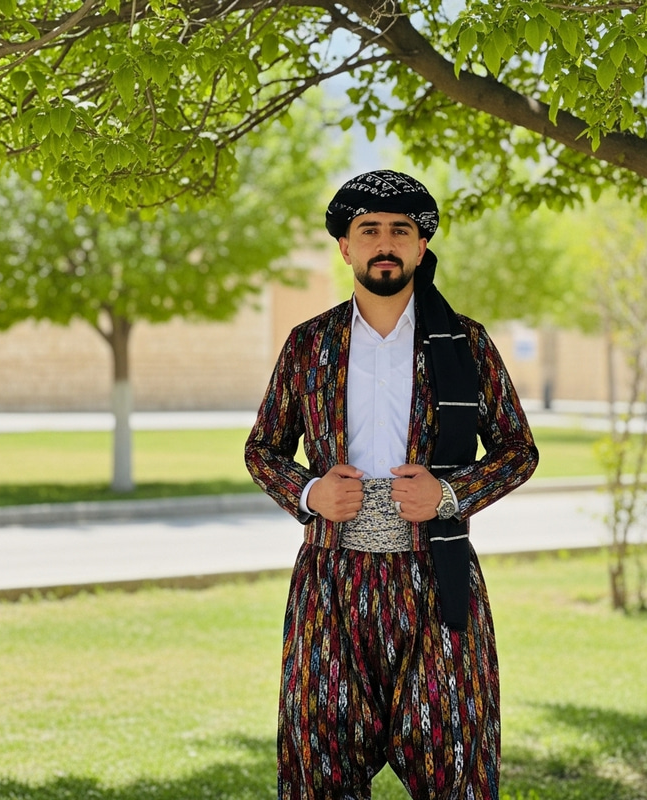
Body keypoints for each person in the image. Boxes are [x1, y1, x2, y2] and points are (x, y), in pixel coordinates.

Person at [245, 169, 539, 800]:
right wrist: (308, 493)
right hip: (330, 580)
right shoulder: (309, 345)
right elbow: (263, 449)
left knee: (455, 766)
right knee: (319, 767)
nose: (385, 242)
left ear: (422, 245)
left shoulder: (464, 344)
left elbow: (518, 451)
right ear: (346, 247)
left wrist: (450, 495)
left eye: (400, 230)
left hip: (436, 578)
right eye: (369, 229)